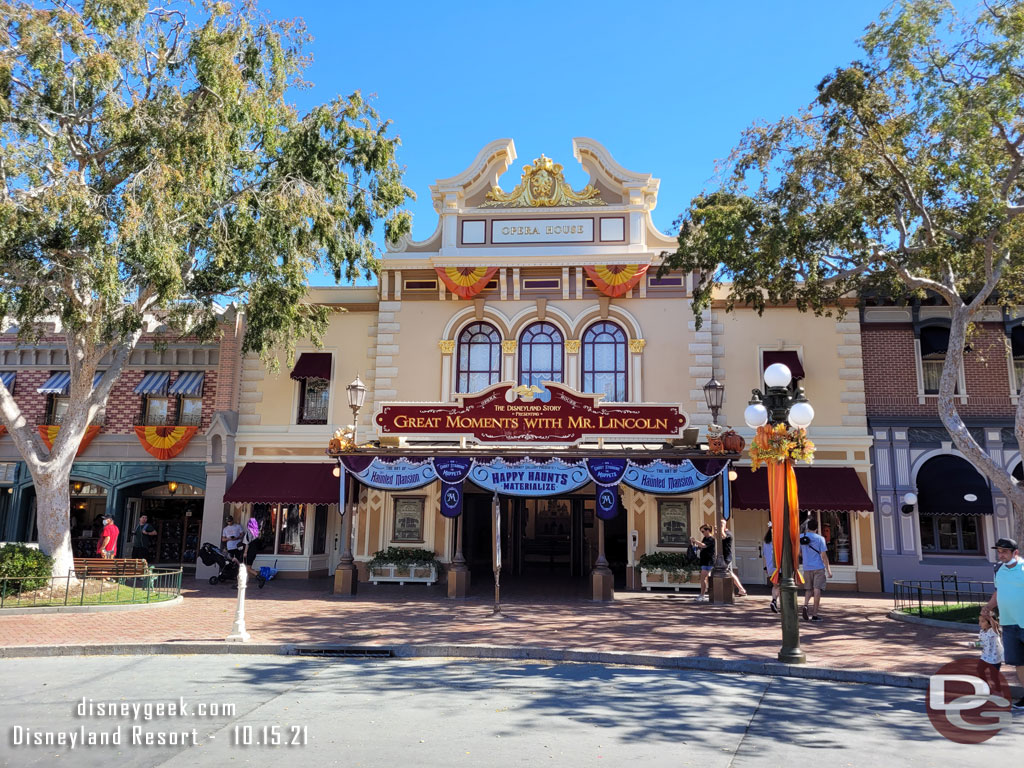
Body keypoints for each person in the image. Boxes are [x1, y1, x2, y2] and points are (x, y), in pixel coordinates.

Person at [980, 537, 1024, 710]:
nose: (1001, 555)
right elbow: (999, 592)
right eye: (999, 551)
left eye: (1005, 551)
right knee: (1019, 662)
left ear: (1015, 552)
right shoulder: (999, 569)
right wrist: (988, 607)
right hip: (1009, 623)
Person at [800, 518, 832, 621]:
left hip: (806, 567)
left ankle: (805, 605)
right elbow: (824, 555)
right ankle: (814, 614)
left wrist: (804, 556)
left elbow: (798, 552)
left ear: (807, 527)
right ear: (816, 528)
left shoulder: (801, 537)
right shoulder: (820, 539)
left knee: (808, 589)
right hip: (818, 567)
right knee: (817, 589)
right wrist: (828, 570)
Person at [233, 517, 267, 588]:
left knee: (243, 567)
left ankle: (241, 582)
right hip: (254, 552)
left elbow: (247, 543)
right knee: (248, 567)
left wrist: (245, 552)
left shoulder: (249, 532)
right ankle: (257, 578)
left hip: (249, 552)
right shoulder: (257, 533)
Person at [719, 519, 747, 597]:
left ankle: (741, 589)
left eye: (721, 525)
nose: (720, 526)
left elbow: (724, 536)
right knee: (729, 573)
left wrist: (722, 526)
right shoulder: (721, 533)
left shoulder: (728, 533)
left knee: (730, 573)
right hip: (722, 556)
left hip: (727, 556)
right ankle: (741, 589)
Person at [690, 524, 715, 602]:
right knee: (704, 578)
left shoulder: (711, 539)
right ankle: (703, 594)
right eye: (701, 532)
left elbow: (703, 545)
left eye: (703, 531)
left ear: (708, 530)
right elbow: (701, 546)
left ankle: (703, 595)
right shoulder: (705, 538)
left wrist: (695, 541)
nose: (702, 533)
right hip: (704, 561)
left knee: (704, 578)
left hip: (709, 561)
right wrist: (694, 544)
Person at [763, 525, 780, 613]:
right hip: (778, 567)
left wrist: (765, 567)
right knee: (781, 585)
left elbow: (764, 556)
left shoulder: (766, 542)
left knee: (775, 585)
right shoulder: (778, 541)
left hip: (770, 566)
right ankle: (776, 601)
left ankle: (774, 600)